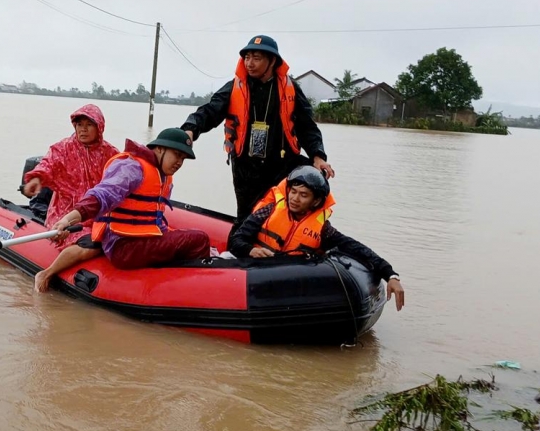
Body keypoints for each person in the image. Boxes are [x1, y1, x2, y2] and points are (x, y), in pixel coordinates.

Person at [181, 35, 333, 231]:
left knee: (312, 182)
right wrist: (189, 130)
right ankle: (240, 254)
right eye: (247, 57)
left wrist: (318, 156)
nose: (249, 63)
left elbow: (307, 127)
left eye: (256, 58)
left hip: (282, 163)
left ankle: (305, 240)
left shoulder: (290, 88)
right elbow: (209, 111)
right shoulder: (235, 87)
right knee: (247, 218)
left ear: (272, 61)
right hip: (246, 165)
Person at [228, 165, 405, 311]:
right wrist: (251, 250)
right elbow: (236, 241)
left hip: (285, 285)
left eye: (303, 195)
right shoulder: (268, 211)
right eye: (293, 191)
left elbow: (356, 248)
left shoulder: (322, 230)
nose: (295, 198)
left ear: (316, 202)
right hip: (252, 273)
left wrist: (390, 274)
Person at [45, 128, 210, 276]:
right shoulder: (132, 168)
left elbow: (153, 217)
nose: (180, 162)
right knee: (199, 239)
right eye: (177, 155)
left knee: (190, 236)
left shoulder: (162, 176)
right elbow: (102, 195)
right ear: (160, 148)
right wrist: (67, 219)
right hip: (123, 246)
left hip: (142, 239)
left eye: (183, 158)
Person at [22, 105, 119, 291]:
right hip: (66, 213)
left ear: (99, 127)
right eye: (79, 125)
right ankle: (46, 273)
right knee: (93, 244)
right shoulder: (63, 148)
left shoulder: (111, 153)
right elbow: (47, 165)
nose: (83, 129)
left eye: (88, 125)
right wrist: (36, 178)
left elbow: (124, 178)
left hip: (99, 213)